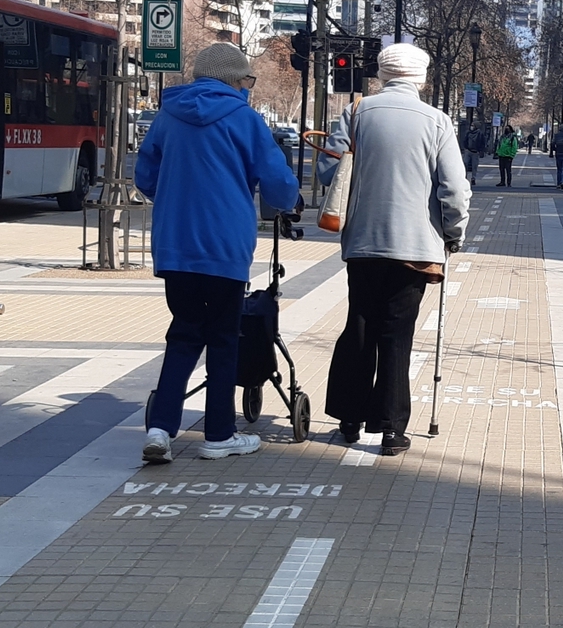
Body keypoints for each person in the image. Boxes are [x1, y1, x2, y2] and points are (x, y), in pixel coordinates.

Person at [135, 43, 300, 464]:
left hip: (175, 245)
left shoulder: (167, 116)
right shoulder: (245, 120)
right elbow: (278, 182)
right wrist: (285, 200)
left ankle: (160, 429)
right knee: (225, 338)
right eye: (248, 79)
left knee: (184, 332)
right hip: (225, 245)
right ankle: (219, 435)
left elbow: (145, 177)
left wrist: (173, 193)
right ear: (234, 79)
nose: (249, 86)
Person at [317, 43, 471, 456]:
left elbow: (328, 169)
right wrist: (454, 233)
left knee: (360, 323)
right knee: (397, 333)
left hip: (363, 242)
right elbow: (453, 189)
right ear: (420, 78)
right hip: (416, 247)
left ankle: (349, 417)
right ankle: (390, 428)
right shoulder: (437, 121)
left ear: (381, 75)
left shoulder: (355, 113)